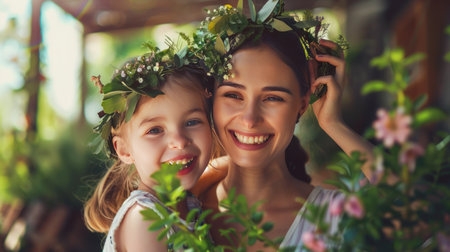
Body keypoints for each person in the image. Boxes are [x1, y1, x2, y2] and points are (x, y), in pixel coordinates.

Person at [191, 1, 375, 251]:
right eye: (233, 95)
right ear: (211, 99)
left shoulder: (333, 217)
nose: (249, 119)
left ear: (301, 105)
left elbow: (421, 214)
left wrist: (333, 124)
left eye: (273, 98)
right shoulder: (178, 212)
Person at [83, 45, 215, 252]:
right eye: (155, 130)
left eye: (192, 122)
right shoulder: (144, 220)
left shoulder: (191, 205)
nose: (179, 141)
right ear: (124, 150)